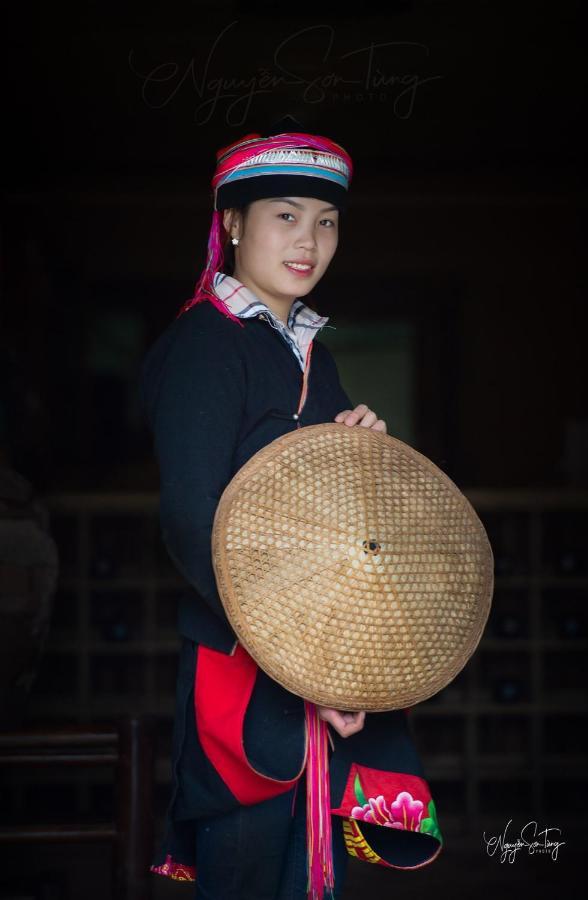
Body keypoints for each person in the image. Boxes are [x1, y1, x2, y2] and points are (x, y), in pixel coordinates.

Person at [140, 130, 443, 900]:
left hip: (316, 659)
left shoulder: (314, 353)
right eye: (284, 215)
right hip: (245, 666)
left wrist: (356, 458)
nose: (308, 241)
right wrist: (299, 661)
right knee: (247, 868)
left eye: (327, 221)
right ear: (233, 222)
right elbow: (189, 517)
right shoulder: (207, 343)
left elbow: (332, 519)